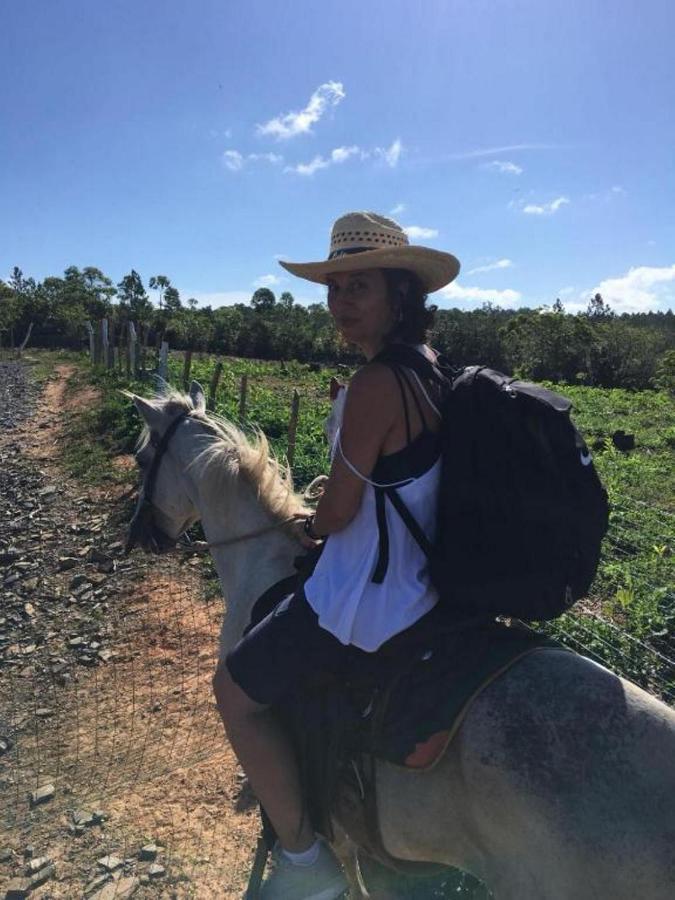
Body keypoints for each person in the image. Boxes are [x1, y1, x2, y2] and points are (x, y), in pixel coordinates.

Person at [212, 211, 461, 899]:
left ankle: (304, 861)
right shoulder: (432, 371)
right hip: (426, 582)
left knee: (232, 694)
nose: (342, 302)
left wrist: (310, 522)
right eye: (334, 287)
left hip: (368, 601)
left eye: (360, 287)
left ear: (398, 295)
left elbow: (340, 513)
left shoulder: (378, 382)